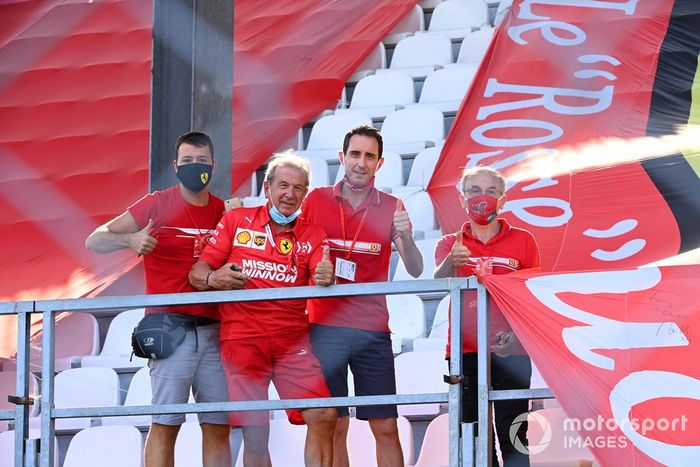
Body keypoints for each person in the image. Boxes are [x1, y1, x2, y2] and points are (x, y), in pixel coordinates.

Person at [85, 131, 231, 467]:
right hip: (170, 330)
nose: (196, 167)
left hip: (216, 331)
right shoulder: (156, 204)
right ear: (176, 165)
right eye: (188, 161)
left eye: (202, 161)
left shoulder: (225, 211)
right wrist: (131, 240)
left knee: (218, 426)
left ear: (214, 164)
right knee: (165, 424)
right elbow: (95, 240)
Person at [189, 150, 337, 467]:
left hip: (291, 341)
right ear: (267, 187)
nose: (290, 194)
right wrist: (215, 278)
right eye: (283, 185)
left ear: (305, 194)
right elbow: (197, 274)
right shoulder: (235, 221)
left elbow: (321, 276)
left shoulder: (313, 233)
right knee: (256, 432)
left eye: (298, 188)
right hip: (242, 338)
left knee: (324, 414)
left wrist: (325, 277)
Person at [302, 125, 423, 467]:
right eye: (355, 154)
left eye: (369, 156)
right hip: (323, 326)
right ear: (342, 158)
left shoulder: (392, 206)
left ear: (379, 163)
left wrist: (406, 237)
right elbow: (297, 252)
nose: (361, 162)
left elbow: (414, 268)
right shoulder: (316, 200)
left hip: (371, 330)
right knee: (333, 424)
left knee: (385, 425)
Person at [434, 166, 541, 466]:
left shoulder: (524, 241)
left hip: (513, 349)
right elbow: (437, 282)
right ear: (462, 199)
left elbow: (531, 298)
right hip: (464, 352)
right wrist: (449, 264)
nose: (482, 198)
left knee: (515, 436)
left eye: (491, 192)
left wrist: (517, 339)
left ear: (503, 200)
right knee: (475, 438)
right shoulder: (449, 243)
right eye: (474, 191)